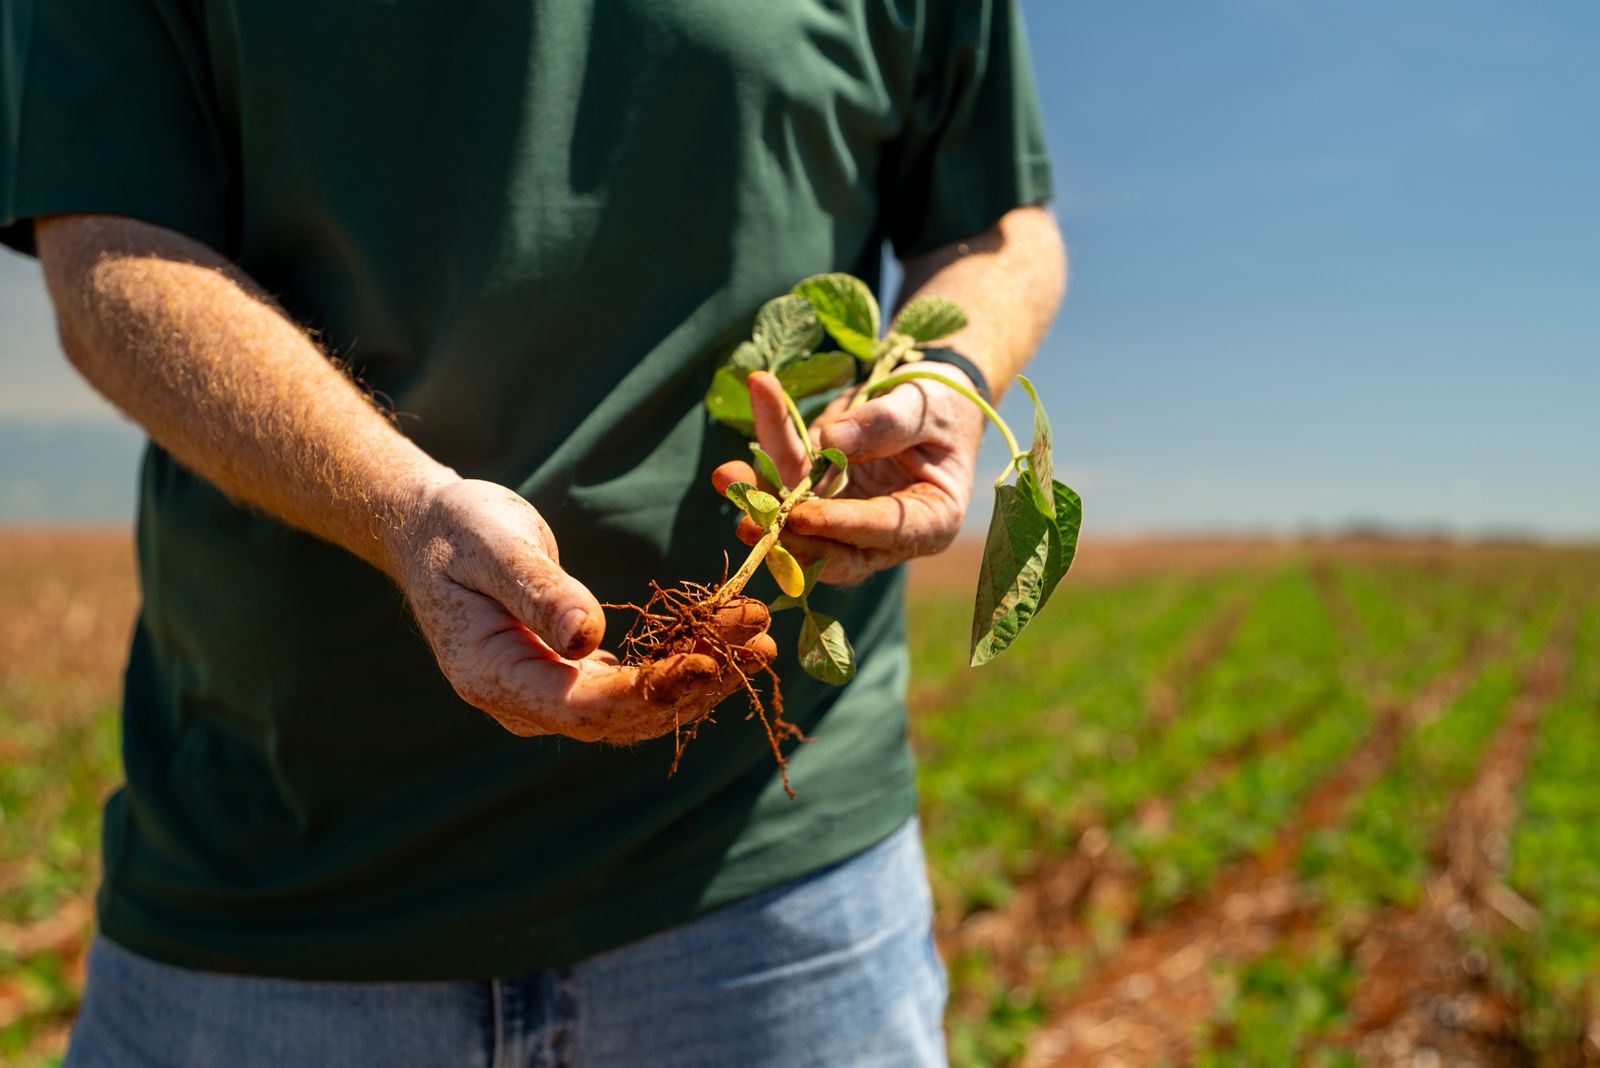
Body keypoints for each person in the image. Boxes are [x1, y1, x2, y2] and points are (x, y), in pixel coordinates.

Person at [2, 0, 1064, 1063]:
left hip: (770, 896)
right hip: (278, 893)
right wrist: (399, 507)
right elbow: (106, 240)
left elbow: (999, 226)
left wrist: (949, 375)